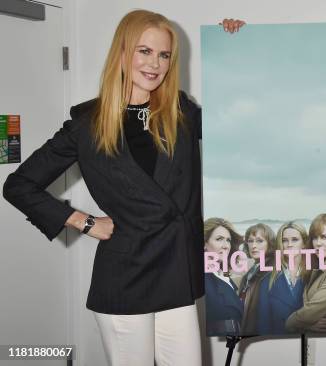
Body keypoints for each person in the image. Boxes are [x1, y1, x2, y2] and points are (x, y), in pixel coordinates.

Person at [2, 10, 244, 365]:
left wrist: (233, 47)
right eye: (144, 51)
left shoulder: (182, 113)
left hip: (178, 273)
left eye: (164, 55)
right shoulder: (87, 125)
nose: (155, 64)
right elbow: (19, 185)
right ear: (122, 53)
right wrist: (83, 221)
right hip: (126, 277)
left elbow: (237, 122)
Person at [256, 221, 308, 334]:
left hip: (308, 338)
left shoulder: (313, 274)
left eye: (295, 239)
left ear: (304, 243)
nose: (289, 244)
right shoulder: (268, 278)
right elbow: (263, 322)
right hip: (278, 342)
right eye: (284, 240)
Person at [203, 218, 244, 335]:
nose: (226, 246)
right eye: (219, 239)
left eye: (228, 240)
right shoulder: (203, 280)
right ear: (204, 243)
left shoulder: (223, 276)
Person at [239, 223, 275, 334]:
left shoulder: (273, 271)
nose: (253, 245)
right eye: (250, 241)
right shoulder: (251, 271)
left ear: (270, 244)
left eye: (259, 241)